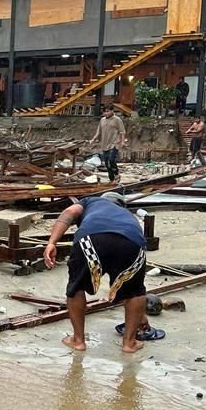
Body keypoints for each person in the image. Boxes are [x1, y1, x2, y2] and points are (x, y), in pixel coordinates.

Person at [43, 192, 148, 354]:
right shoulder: (128, 215)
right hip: (132, 242)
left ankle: (78, 340)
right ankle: (129, 343)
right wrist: (141, 317)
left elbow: (69, 213)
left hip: (90, 240)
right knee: (135, 291)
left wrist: (51, 243)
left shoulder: (90, 201)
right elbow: (133, 292)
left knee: (76, 287)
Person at [90, 104, 125, 183]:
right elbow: (98, 132)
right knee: (106, 163)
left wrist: (122, 142)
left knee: (111, 160)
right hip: (105, 144)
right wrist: (93, 139)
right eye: (105, 112)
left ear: (112, 111)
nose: (106, 113)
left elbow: (122, 132)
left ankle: (116, 174)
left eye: (108, 111)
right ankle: (111, 179)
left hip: (114, 143)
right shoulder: (102, 120)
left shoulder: (117, 120)